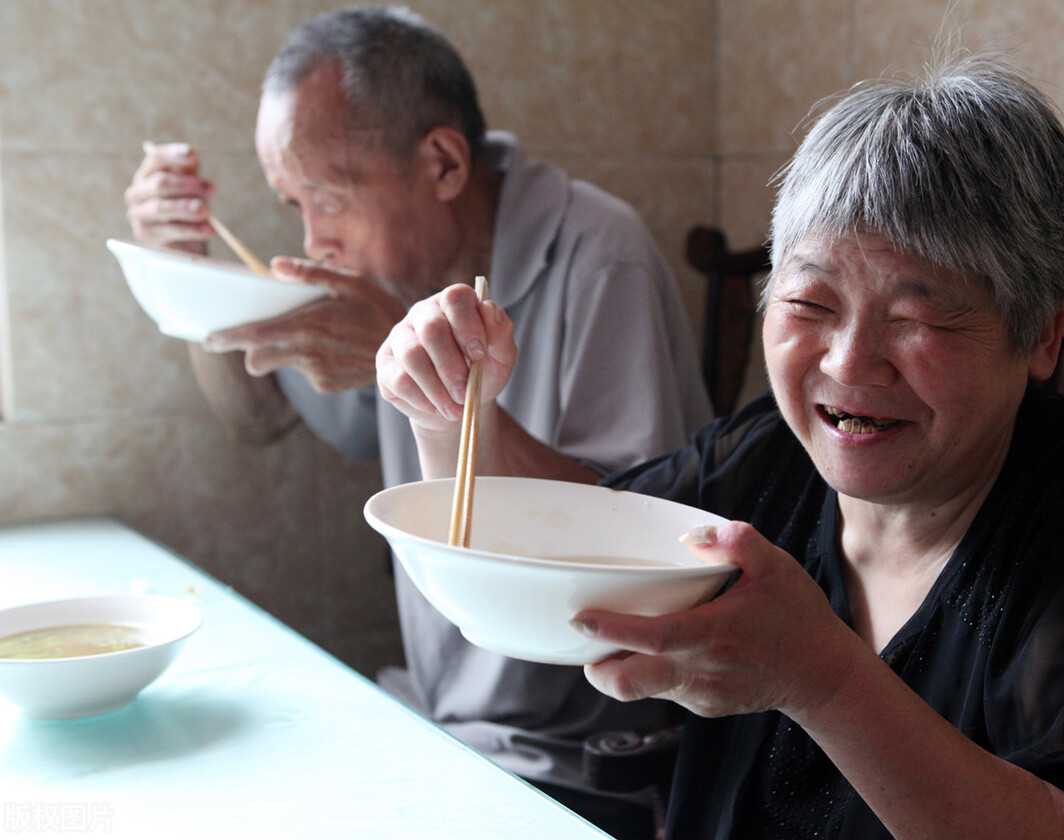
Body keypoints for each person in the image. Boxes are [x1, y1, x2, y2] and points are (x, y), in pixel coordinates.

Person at [377, 54, 1064, 839]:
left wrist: (824, 680)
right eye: (810, 302)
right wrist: (451, 411)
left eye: (916, 317)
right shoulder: (772, 456)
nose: (849, 363)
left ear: (1042, 336)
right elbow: (546, 557)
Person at [124, 6, 713, 838]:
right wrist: (183, 279)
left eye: (327, 199)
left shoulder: (598, 252)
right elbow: (256, 418)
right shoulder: (392, 284)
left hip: (580, 750)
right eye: (294, 203)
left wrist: (404, 366)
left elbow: (634, 543)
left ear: (441, 163)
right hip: (436, 715)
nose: (314, 241)